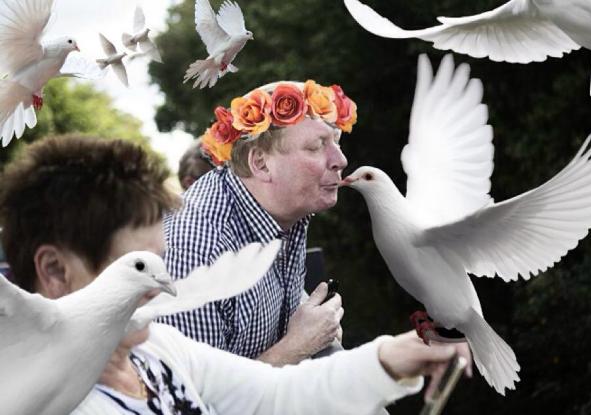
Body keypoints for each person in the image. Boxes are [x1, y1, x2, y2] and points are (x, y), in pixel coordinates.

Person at [0, 135, 461, 414]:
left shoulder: (156, 350)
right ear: (56, 271)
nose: (167, 288)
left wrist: (392, 356)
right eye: (137, 264)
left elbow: (274, 397)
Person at [161, 80, 355, 364]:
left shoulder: (280, 211)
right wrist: (297, 347)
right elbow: (194, 402)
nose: (341, 160)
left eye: (336, 143)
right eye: (316, 146)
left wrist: (314, 324)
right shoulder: (195, 250)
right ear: (261, 164)